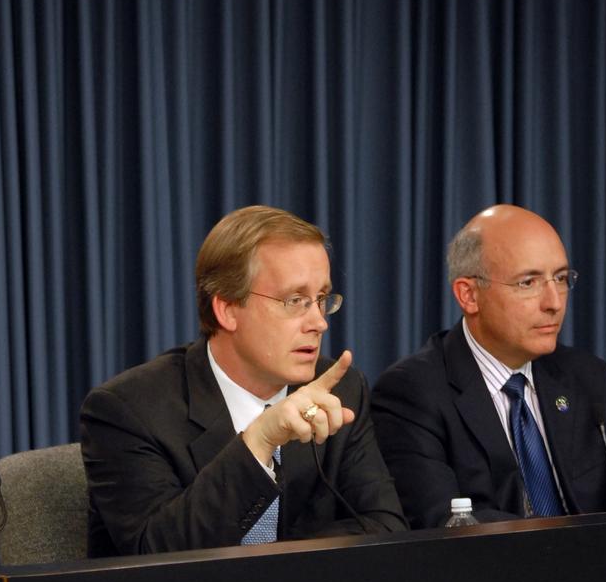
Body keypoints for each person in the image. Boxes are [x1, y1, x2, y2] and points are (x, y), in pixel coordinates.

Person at [81, 205, 406, 555]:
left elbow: (385, 528)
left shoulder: (340, 390)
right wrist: (261, 440)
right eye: (295, 300)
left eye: (322, 299)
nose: (319, 322)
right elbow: (157, 555)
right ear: (228, 310)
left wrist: (270, 565)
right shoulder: (129, 410)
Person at [371, 204, 606, 528]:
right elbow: (440, 521)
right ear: (469, 295)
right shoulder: (413, 392)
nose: (554, 302)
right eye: (528, 283)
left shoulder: (587, 378)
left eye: (561, 278)